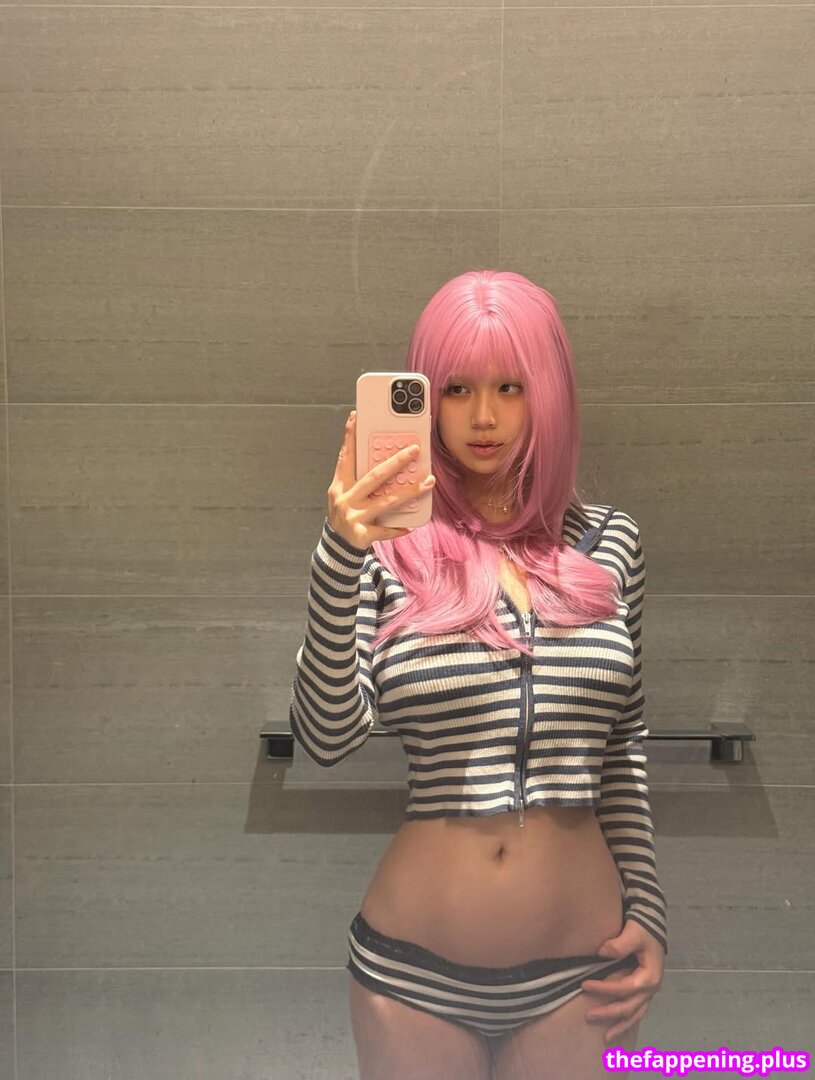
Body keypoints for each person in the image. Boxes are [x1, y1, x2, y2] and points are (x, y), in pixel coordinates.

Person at [289, 269, 667, 1080]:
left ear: (548, 394)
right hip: (411, 974)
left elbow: (623, 745)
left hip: (584, 969)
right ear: (424, 398)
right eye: (456, 389)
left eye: (510, 387)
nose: (483, 417)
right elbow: (325, 737)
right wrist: (337, 555)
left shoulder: (612, 542)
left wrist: (648, 906)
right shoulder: (383, 547)